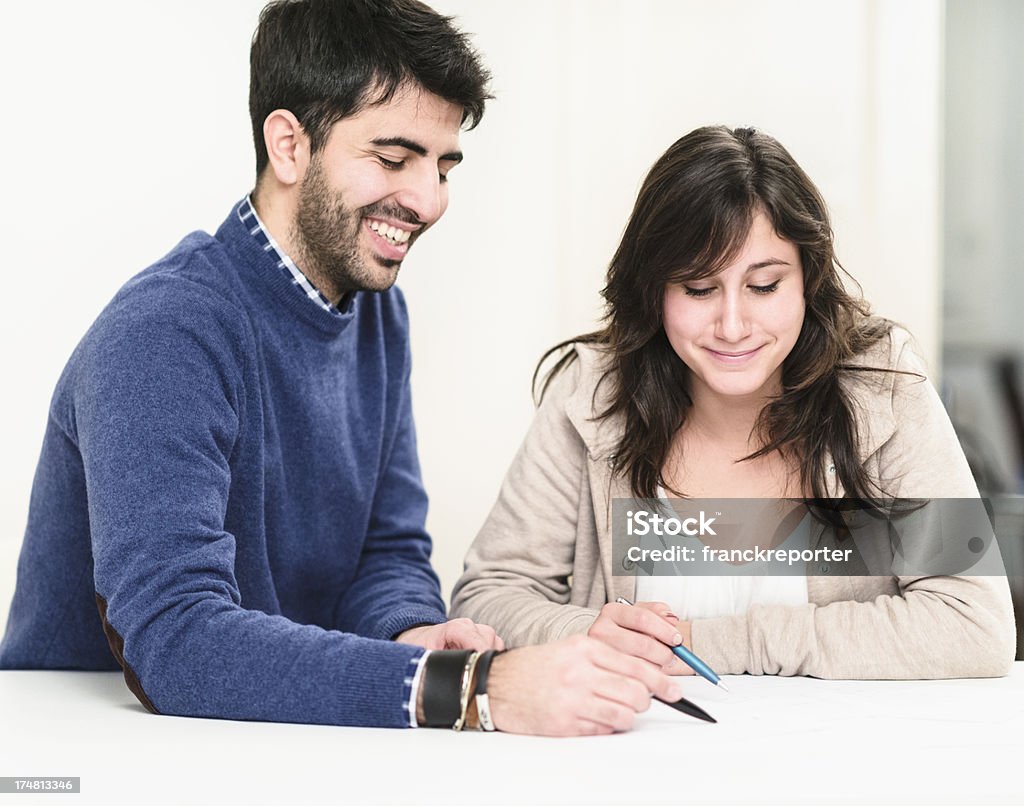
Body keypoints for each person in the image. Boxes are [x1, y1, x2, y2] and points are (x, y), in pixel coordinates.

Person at [0, 0, 683, 737]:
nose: (427, 201)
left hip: (267, 738)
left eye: (443, 166)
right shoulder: (166, 332)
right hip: (99, 745)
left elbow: (386, 551)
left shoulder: (374, 310)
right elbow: (175, 642)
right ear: (289, 145)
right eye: (393, 159)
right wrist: (472, 688)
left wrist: (412, 633)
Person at [451, 125, 1017, 680]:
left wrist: (707, 643)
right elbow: (487, 597)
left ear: (807, 281)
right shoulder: (592, 393)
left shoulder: (881, 386)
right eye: (698, 289)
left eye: (764, 286)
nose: (732, 325)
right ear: (654, 290)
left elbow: (974, 623)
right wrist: (586, 633)